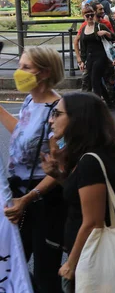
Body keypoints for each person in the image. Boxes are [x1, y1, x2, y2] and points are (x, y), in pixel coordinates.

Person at [42, 92, 115, 291]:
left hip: (92, 257)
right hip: (89, 254)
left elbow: (93, 222)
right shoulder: (86, 157)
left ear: (77, 118)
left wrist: (71, 263)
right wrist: (60, 175)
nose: (51, 120)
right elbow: (80, 196)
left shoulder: (90, 162)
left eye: (58, 114)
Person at [1, 47, 65, 292]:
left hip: (43, 202)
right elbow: (24, 133)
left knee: (46, 274)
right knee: (13, 261)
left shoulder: (58, 111)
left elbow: (59, 166)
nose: (19, 72)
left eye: (26, 67)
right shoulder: (30, 100)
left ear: (45, 72)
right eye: (19, 66)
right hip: (18, 196)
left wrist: (27, 199)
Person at [76, 6, 115, 101]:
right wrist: (82, 61)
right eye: (87, 16)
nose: (90, 17)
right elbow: (83, 46)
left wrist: (106, 33)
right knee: (95, 80)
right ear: (84, 17)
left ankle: (97, 103)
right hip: (90, 58)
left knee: (95, 80)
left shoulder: (100, 26)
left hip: (100, 56)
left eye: (92, 15)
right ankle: (109, 101)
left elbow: (114, 38)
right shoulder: (83, 29)